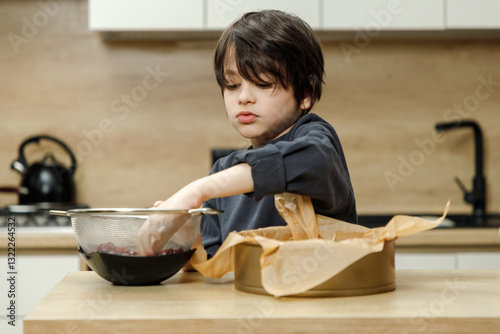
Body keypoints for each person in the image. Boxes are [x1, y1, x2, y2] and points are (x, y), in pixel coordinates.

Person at [137, 9, 357, 257]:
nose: (243, 98)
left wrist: (196, 190)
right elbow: (217, 266)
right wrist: (188, 237)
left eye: (263, 83)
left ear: (306, 92)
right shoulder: (222, 172)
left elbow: (314, 161)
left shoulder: (316, 141)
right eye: (232, 85)